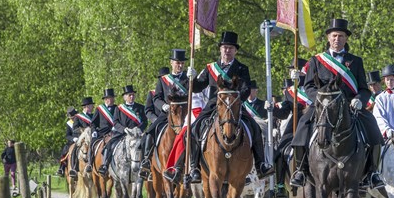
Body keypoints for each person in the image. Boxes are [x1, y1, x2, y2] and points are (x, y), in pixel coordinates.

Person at [163, 31, 274, 183]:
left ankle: (261, 165)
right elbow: (196, 87)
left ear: (235, 50)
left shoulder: (242, 68)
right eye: (224, 47)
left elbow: (246, 89)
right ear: (220, 49)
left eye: (230, 48)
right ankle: (193, 167)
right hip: (213, 107)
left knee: (254, 128)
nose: (227, 50)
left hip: (235, 107)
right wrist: (190, 79)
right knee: (192, 130)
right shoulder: (211, 68)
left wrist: (235, 101)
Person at [289, 18, 385, 189]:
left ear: (346, 39)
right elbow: (308, 85)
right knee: (302, 127)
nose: (337, 39)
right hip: (323, 105)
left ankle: (372, 172)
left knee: (373, 130)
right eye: (334, 36)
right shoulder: (317, 61)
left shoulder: (355, 61)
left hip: (348, 107)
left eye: (340, 36)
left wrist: (359, 100)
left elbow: (364, 89)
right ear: (328, 38)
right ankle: (301, 170)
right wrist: (320, 99)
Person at [139, 51, 190, 179]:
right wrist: (163, 106)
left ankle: (195, 164)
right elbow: (156, 98)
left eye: (182, 63)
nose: (180, 66)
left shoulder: (188, 79)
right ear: (171, 63)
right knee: (150, 131)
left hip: (184, 114)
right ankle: (146, 160)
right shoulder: (163, 80)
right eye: (178, 63)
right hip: (167, 113)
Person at [271, 58, 311, 198]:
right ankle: (280, 185)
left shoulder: (313, 86)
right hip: (296, 120)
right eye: (291, 70)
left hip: (314, 118)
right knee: (280, 150)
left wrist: (303, 78)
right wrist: (273, 109)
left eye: (295, 69)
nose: (291, 72)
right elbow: (284, 112)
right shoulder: (290, 92)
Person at [99, 85, 148, 175]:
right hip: (123, 133)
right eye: (129, 95)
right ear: (125, 97)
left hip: (137, 134)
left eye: (133, 95)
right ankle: (105, 165)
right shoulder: (119, 108)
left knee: (148, 144)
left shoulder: (140, 107)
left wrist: (139, 128)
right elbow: (115, 122)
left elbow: (145, 122)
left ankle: (146, 166)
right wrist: (124, 129)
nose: (132, 97)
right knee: (109, 144)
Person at [89, 88, 117, 172]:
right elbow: (93, 123)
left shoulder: (117, 108)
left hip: (114, 132)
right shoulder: (99, 109)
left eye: (111, 98)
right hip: (102, 133)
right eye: (108, 98)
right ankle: (90, 164)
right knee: (92, 144)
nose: (110, 100)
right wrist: (94, 131)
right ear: (105, 99)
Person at [69, 97, 95, 177]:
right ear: (86, 106)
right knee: (75, 148)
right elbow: (74, 129)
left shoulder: (94, 116)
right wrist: (83, 131)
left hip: (93, 137)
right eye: (91, 105)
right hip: (83, 137)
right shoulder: (78, 117)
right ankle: (74, 168)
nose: (92, 107)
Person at [57, 106, 78, 176]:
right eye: (71, 118)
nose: (72, 118)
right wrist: (73, 139)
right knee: (65, 151)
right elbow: (67, 135)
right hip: (73, 141)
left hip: (81, 139)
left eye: (73, 117)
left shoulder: (80, 121)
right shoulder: (69, 123)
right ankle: (61, 168)